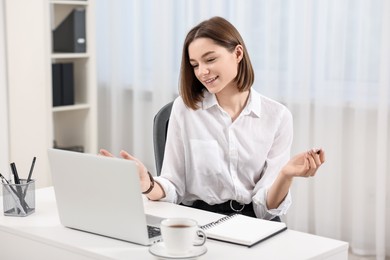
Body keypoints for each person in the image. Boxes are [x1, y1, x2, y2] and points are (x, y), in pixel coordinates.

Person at [100, 16, 325, 221]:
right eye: (195, 65)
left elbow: (265, 209)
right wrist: (147, 184)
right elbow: (173, 187)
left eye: (210, 59)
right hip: (198, 219)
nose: (202, 72)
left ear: (238, 54)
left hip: (253, 221)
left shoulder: (277, 116)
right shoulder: (185, 109)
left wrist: (285, 175)